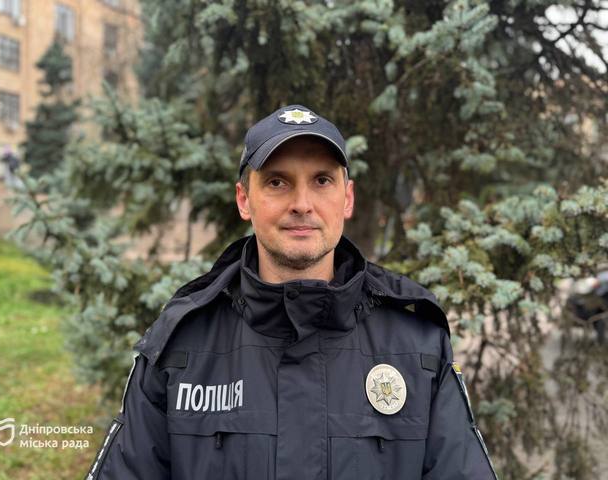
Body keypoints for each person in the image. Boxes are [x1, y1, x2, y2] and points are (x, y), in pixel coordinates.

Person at [85, 104, 498, 479]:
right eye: (277, 182)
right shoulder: (181, 346)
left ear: (347, 198)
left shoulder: (417, 345)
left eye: (322, 180)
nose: (302, 203)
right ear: (244, 200)